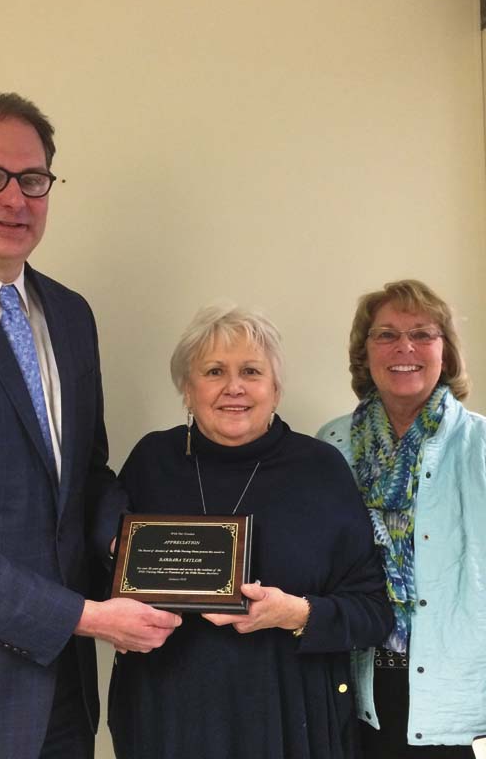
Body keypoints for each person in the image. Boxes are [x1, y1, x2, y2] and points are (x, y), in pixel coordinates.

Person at [0, 88, 180, 759]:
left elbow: (85, 476)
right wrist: (85, 616)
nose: (14, 199)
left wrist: (136, 552)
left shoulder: (71, 315)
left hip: (64, 700)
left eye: (33, 179)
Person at [103, 304, 393, 759]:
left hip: (289, 715)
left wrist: (294, 613)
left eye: (252, 372)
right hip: (167, 715)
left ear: (275, 389)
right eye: (214, 371)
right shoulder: (152, 460)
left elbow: (373, 612)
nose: (233, 387)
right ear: (187, 389)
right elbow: (104, 568)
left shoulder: (320, 469)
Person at [317, 279, 486, 757]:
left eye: (423, 334)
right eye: (386, 335)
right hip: (355, 686)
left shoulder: (479, 444)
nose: (404, 348)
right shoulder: (331, 444)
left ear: (445, 353)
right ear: (365, 353)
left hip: (456, 697)